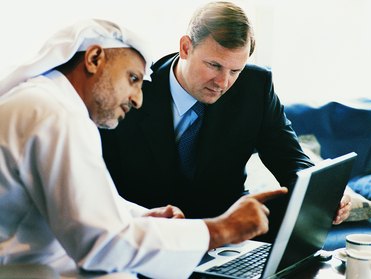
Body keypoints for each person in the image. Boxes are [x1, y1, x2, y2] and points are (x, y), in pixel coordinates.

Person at [0, 18, 288, 278]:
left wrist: (137, 217)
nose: (138, 99)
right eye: (133, 79)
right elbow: (101, 244)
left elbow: (82, 201)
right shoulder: (55, 114)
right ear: (95, 58)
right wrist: (221, 230)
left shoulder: (51, 105)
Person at [100, 1, 352, 242]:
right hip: (150, 235)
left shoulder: (255, 87)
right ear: (186, 47)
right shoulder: (134, 88)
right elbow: (101, 187)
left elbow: (290, 158)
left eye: (235, 70)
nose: (223, 82)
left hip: (230, 235)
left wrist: (321, 195)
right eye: (214, 65)